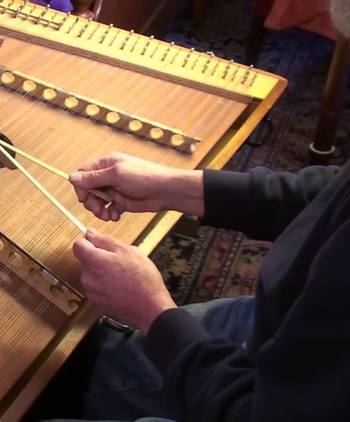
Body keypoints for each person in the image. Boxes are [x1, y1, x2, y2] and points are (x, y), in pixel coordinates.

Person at [56, 2, 350, 415]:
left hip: (263, 399)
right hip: (284, 321)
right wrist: (175, 187)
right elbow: (334, 193)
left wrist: (152, 311)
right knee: (87, 363)